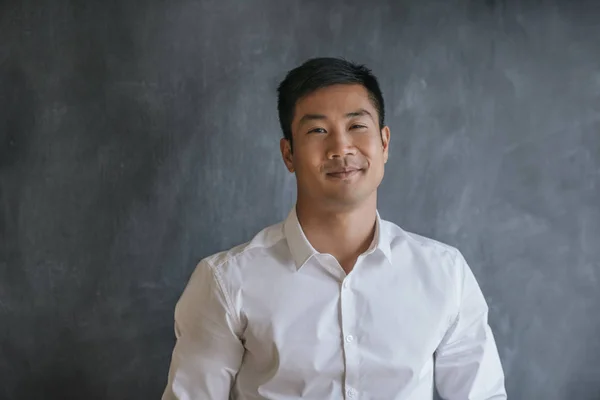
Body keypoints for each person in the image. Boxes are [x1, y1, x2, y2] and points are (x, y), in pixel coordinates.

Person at [161, 57, 507, 399]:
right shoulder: (226, 282)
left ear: (384, 143)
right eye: (317, 131)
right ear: (289, 155)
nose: (341, 147)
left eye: (357, 126)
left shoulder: (444, 274)